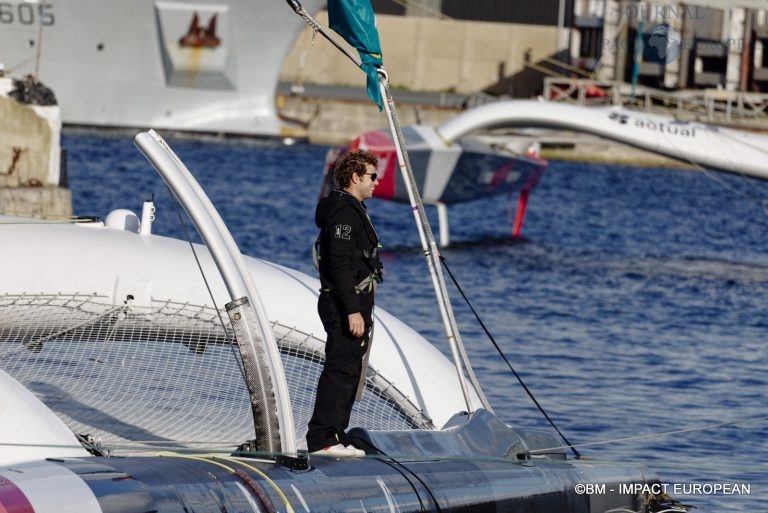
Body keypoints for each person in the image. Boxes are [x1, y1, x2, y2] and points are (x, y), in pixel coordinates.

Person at [307, 149, 383, 457]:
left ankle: (336, 435)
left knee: (351, 371)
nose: (376, 183)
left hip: (355, 304)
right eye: (372, 177)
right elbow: (339, 264)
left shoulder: (355, 208)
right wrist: (352, 310)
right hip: (343, 306)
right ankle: (322, 439)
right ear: (355, 178)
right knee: (340, 370)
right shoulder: (343, 213)